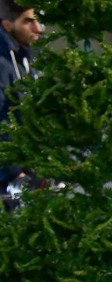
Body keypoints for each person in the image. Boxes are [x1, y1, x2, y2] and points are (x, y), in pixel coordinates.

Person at [0, 0, 40, 189]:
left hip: (26, 166)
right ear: (7, 25)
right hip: (8, 176)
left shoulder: (22, 56)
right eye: (27, 21)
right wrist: (15, 171)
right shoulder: (2, 63)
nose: (37, 28)